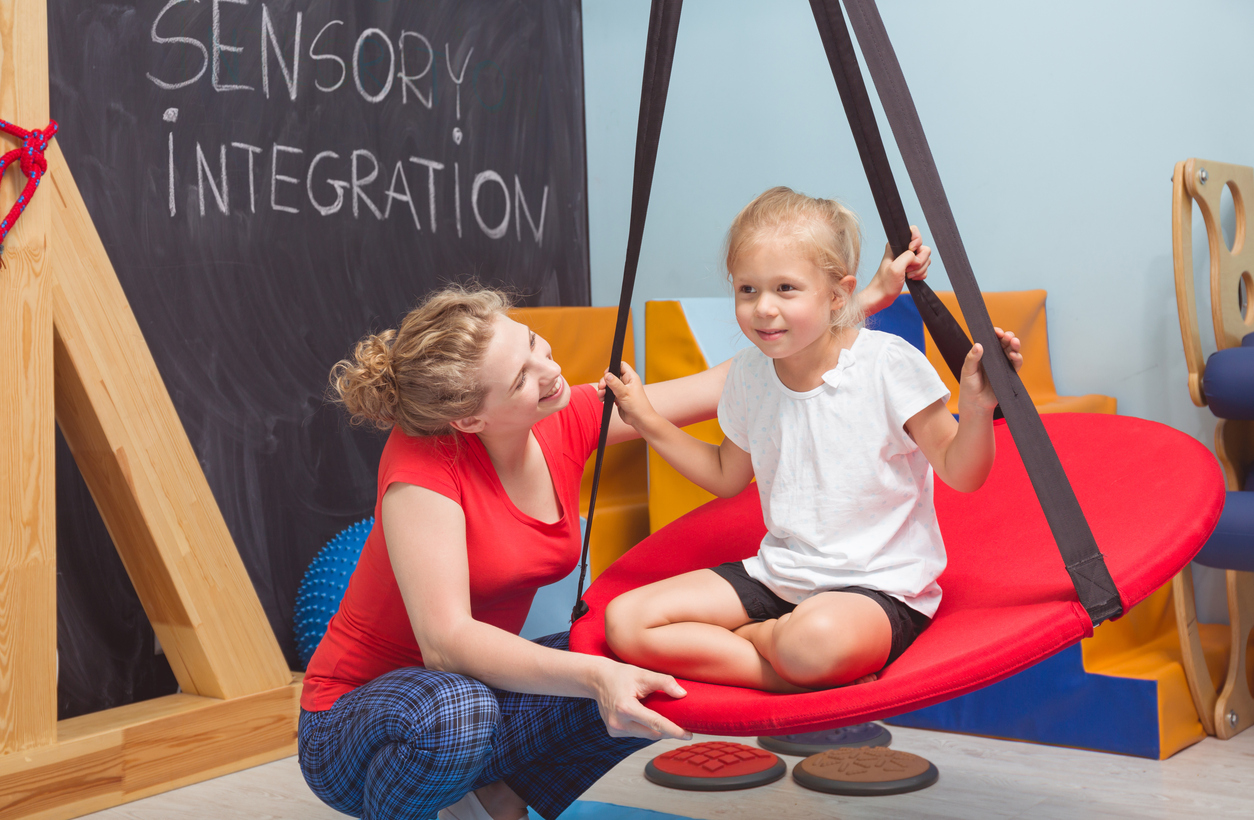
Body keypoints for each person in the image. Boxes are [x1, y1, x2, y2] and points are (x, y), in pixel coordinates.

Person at [297, 235, 932, 820]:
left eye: (533, 344)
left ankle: (497, 798)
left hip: (474, 694)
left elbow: (724, 382)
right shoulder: (422, 463)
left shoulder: (563, 416)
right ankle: (434, 799)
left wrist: (849, 305)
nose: (549, 372)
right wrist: (594, 678)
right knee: (469, 707)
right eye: (521, 378)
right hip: (358, 722)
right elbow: (446, 644)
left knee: (638, 673)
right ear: (469, 420)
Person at [602, 186, 1022, 694]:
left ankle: (770, 643)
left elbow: (963, 472)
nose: (763, 309)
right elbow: (724, 475)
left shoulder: (887, 364)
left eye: (785, 289)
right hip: (781, 576)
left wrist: (978, 407)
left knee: (815, 639)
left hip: (875, 589)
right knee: (626, 622)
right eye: (747, 290)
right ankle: (784, 670)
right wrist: (648, 421)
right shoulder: (751, 375)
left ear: (839, 295)